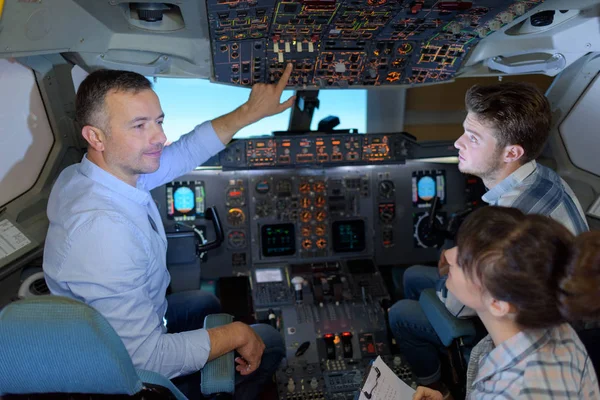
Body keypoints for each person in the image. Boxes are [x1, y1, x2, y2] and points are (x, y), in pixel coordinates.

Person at [43, 65, 296, 399]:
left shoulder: (94, 173)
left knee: (204, 301)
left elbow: (185, 151)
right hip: (122, 373)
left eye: (158, 121)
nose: (160, 137)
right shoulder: (103, 231)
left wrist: (250, 112)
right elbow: (146, 360)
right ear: (96, 136)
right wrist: (236, 335)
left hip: (126, 325)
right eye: (139, 125)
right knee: (269, 339)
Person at [388, 82, 589, 388]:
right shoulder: (546, 177)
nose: (457, 143)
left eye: (472, 138)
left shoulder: (509, 225)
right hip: (555, 314)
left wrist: (452, 268)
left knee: (400, 314)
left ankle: (435, 384)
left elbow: (456, 305)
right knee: (414, 275)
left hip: (527, 326)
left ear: (512, 152)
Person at [412, 206, 600, 399]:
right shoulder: (558, 329)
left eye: (463, 261)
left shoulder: (509, 393)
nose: (450, 255)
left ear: (497, 304)